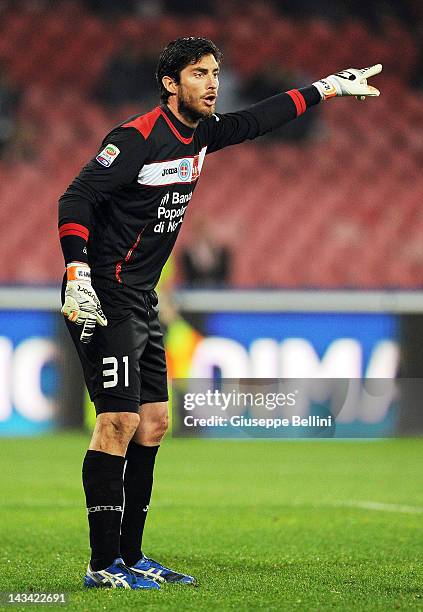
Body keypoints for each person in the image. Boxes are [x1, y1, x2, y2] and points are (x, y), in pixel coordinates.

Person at [58, 36, 382, 590]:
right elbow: (75, 200)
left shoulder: (202, 134)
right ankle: (101, 565)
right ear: (170, 83)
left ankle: (131, 557)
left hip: (141, 299)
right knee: (118, 422)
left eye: (215, 72)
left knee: (154, 425)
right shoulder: (135, 139)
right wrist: (76, 271)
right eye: (199, 73)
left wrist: (326, 87)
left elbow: (260, 119)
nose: (212, 82)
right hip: (104, 292)